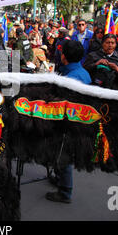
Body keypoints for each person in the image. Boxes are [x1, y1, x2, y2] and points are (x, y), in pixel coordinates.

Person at [46, 40, 91, 204]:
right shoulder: (82, 72)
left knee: (64, 155)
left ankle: (65, 191)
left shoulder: (72, 78)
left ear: (64, 56)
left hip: (69, 123)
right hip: (76, 121)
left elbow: (61, 103)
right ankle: (59, 179)